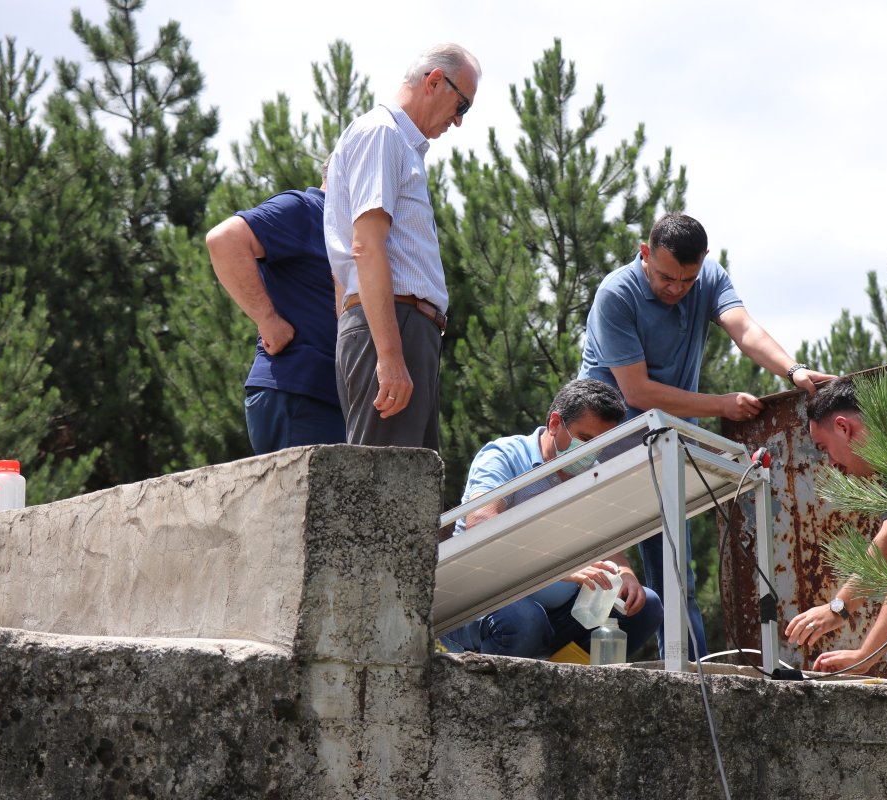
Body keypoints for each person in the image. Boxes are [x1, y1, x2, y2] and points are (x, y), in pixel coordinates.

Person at [578, 212, 833, 659]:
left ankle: (690, 668)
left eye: (686, 280)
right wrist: (720, 404)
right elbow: (634, 390)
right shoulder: (616, 294)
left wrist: (792, 370)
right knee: (603, 573)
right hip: (608, 441)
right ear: (644, 254)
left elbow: (745, 329)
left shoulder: (708, 279)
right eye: (664, 277)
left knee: (676, 573)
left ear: (703, 265)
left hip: (669, 440)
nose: (675, 289)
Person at [324, 43, 481, 449]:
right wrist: (390, 355)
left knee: (408, 487)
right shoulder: (382, 134)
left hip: (400, 327)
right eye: (462, 104)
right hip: (394, 326)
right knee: (381, 488)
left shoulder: (396, 142)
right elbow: (366, 248)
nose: (459, 121)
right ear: (433, 81)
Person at [441, 379, 662, 660]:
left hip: (554, 614)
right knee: (524, 622)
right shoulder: (504, 455)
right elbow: (482, 525)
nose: (591, 453)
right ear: (555, 423)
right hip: (486, 599)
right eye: (585, 439)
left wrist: (625, 575)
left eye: (601, 444)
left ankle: (565, 688)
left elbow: (608, 545)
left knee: (645, 607)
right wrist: (559, 571)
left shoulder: (593, 475)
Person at [784, 375, 887, 674]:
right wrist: (866, 655)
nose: (830, 463)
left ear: (843, 427)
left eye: (823, 446)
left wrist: (838, 608)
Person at [206, 162, 345, 455]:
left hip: (323, 395)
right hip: (299, 391)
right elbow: (224, 240)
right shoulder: (305, 209)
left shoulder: (343, 230)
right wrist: (267, 319)